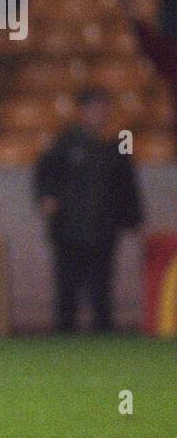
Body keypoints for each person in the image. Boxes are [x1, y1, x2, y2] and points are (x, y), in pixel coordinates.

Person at [33, 88, 144, 332]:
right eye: (94, 108)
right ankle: (65, 337)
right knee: (67, 289)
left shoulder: (116, 147)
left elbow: (127, 186)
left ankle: (104, 338)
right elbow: (45, 174)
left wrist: (134, 220)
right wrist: (46, 198)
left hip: (103, 231)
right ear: (82, 112)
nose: (100, 113)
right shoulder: (65, 143)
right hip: (68, 230)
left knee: (101, 289)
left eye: (103, 108)